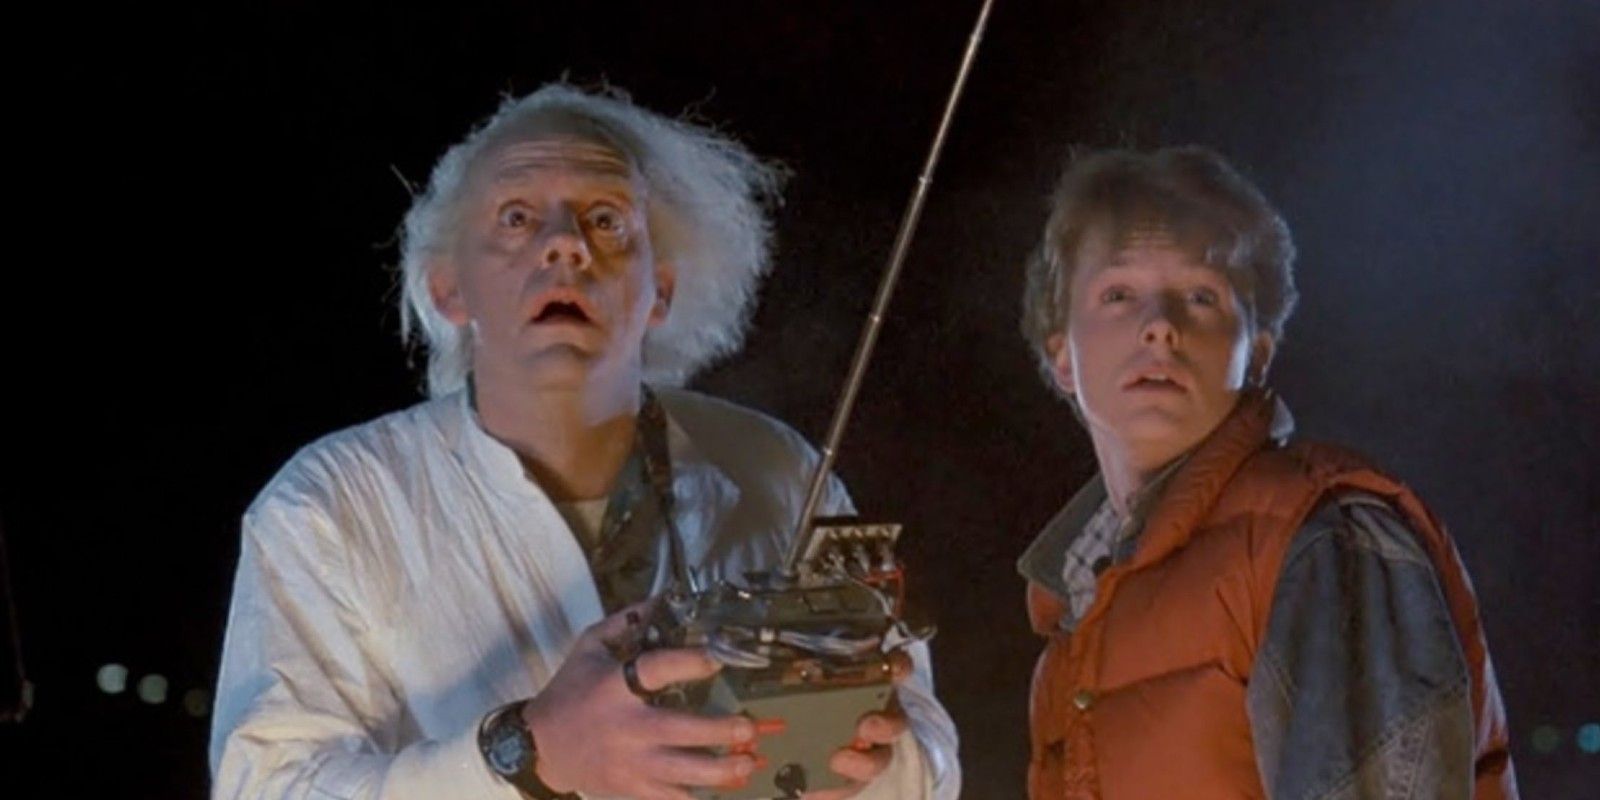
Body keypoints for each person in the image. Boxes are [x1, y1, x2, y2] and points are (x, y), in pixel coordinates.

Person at [210, 83, 960, 800]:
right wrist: (531, 753)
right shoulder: (330, 507)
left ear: (661, 290)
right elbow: (263, 786)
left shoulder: (781, 470)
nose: (566, 245)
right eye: (515, 218)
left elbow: (928, 756)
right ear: (448, 288)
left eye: (606, 220)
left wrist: (865, 765)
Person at [1015, 146, 1516, 799]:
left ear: (1256, 353)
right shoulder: (1078, 609)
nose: (1159, 326)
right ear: (1062, 355)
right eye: (1118, 294)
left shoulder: (1322, 533)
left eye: (1201, 296)